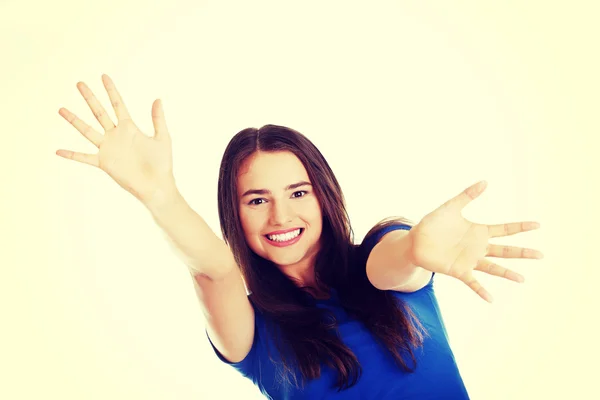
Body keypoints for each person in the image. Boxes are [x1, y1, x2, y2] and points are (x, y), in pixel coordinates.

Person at [56, 75, 543, 399]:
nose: (280, 216)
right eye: (257, 199)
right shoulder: (253, 331)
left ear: (323, 194)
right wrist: (159, 193)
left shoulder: (379, 259)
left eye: (297, 192)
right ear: (236, 214)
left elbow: (398, 258)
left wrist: (419, 248)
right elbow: (214, 268)